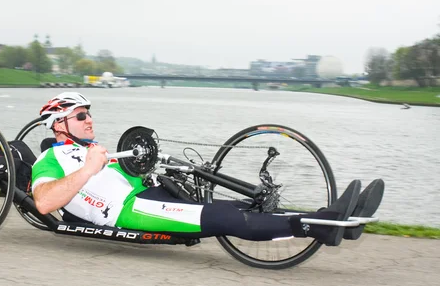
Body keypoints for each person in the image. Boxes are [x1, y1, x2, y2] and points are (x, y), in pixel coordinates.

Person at [31, 92, 384, 246]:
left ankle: (334, 220)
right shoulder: (51, 161)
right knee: (224, 221)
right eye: (81, 115)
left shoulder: (92, 150)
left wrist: (140, 168)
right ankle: (315, 227)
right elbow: (45, 203)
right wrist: (88, 170)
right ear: (59, 124)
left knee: (239, 207)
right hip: (128, 211)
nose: (89, 119)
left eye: (89, 113)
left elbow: (123, 177)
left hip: (144, 194)